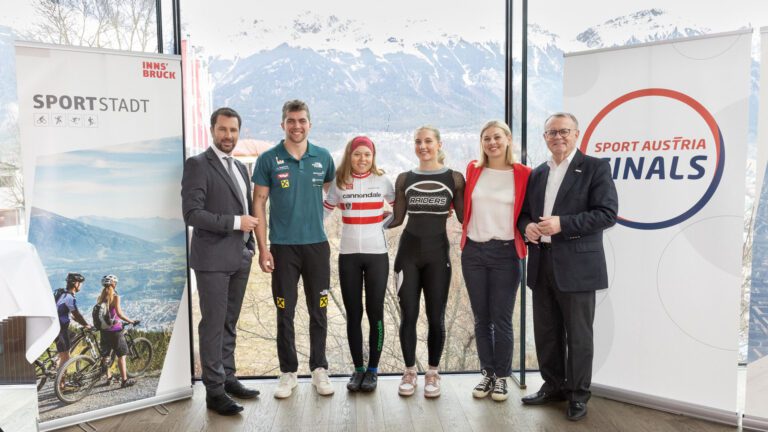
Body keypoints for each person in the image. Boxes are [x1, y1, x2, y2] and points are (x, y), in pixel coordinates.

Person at [518, 112, 618, 421]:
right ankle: (553, 386)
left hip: (578, 267)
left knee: (578, 336)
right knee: (547, 333)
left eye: (564, 131)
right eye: (552, 132)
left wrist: (563, 224)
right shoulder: (538, 173)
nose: (558, 137)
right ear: (545, 138)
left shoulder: (595, 168)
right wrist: (527, 227)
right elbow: (524, 214)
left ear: (576, 134)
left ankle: (577, 395)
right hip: (541, 263)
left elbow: (607, 214)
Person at [252, 100, 336, 399]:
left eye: (301, 121)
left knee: (319, 310)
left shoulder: (323, 157)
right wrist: (263, 249)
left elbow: (330, 190)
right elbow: (259, 202)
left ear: (309, 124)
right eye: (291, 120)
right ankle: (288, 372)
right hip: (283, 248)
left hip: (317, 247)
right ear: (283, 124)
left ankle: (319, 369)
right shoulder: (268, 159)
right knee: (284, 312)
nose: (296, 126)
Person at [181, 107, 260, 416]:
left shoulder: (240, 167)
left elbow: (247, 207)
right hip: (212, 259)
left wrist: (249, 246)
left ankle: (228, 377)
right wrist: (236, 223)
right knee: (213, 324)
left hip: (240, 256)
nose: (228, 135)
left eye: (233, 130)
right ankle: (214, 391)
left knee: (229, 322)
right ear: (212, 130)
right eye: (223, 129)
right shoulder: (198, 165)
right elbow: (192, 214)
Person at [388, 125, 465, 398]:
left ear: (439, 144)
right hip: (407, 256)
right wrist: (362, 222)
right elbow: (396, 219)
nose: (423, 146)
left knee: (436, 317)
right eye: (418, 141)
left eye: (428, 141)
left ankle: (432, 373)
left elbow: (465, 217)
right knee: (408, 315)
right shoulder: (404, 178)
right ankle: (409, 371)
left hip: (438, 257)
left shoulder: (454, 178)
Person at [460, 120, 531, 402]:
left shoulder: (524, 173)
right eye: (486, 138)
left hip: (506, 253)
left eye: (497, 137)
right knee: (482, 319)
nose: (492, 143)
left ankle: (502, 377)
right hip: (473, 252)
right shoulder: (473, 169)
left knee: (501, 319)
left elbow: (528, 212)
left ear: (508, 139)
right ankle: (487, 373)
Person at [323, 136, 395, 392]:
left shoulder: (382, 180)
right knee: (354, 314)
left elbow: (399, 210)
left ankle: (373, 370)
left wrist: (381, 223)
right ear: (349, 156)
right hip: (349, 256)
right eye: (357, 154)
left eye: (367, 154)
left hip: (377, 256)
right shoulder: (340, 182)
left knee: (375, 313)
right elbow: (323, 212)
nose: (362, 159)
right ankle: (358, 369)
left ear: (373, 157)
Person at [95, 274, 137, 388]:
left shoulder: (100, 297)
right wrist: (131, 321)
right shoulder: (115, 297)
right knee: (121, 356)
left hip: (104, 331)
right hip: (115, 331)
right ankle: (124, 380)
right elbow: (119, 314)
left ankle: (109, 378)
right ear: (114, 284)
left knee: (105, 356)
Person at [55, 273, 91, 368]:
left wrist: (76, 319)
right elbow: (77, 314)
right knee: (66, 358)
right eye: (80, 283)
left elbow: (64, 310)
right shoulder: (69, 297)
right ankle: (60, 377)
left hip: (56, 326)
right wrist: (86, 325)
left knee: (73, 335)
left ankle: (58, 357)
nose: (81, 286)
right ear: (76, 284)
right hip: (60, 328)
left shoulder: (62, 293)